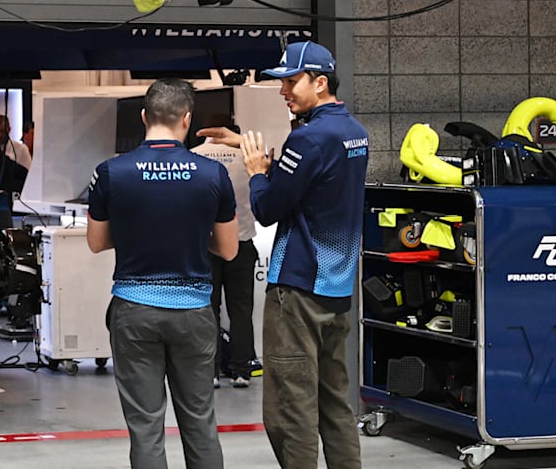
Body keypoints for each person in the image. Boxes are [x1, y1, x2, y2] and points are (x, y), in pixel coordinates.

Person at [198, 41, 369, 469]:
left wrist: (256, 173)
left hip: (296, 292)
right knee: (335, 403)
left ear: (321, 82)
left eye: (292, 82)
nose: (283, 92)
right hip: (336, 288)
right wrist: (243, 144)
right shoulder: (354, 133)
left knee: (289, 411)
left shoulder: (307, 138)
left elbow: (269, 207)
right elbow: (313, 179)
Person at [86, 78, 238, 469]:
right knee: (200, 422)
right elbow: (228, 249)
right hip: (195, 313)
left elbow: (96, 241)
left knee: (146, 427)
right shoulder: (213, 174)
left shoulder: (111, 172)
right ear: (187, 119)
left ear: (143, 117)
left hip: (134, 311)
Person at [193, 122, 260, 388]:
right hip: (242, 240)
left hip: (206, 245)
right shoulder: (248, 156)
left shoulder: (194, 155)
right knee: (242, 309)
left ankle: (211, 370)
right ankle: (242, 369)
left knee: (209, 309)